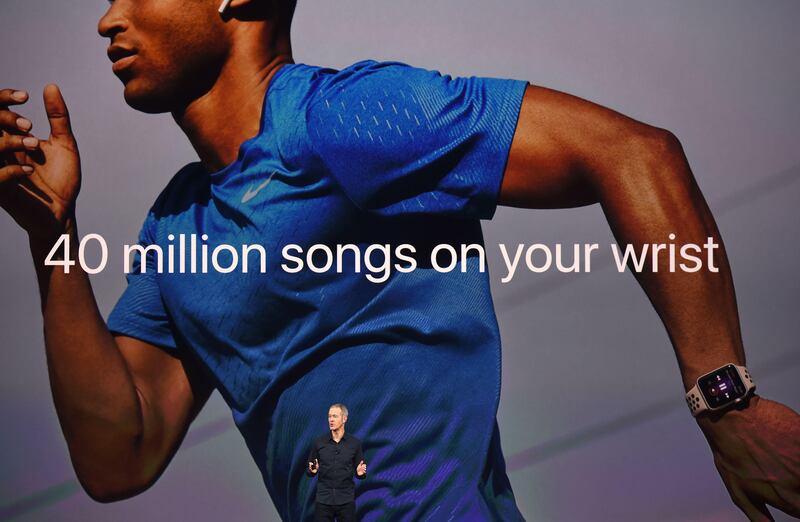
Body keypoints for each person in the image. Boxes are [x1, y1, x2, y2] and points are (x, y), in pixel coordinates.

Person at [0, 0, 798, 520]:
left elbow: (633, 153)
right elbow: (116, 456)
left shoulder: (343, 118)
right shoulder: (177, 225)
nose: (108, 18)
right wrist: (52, 237)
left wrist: (724, 399)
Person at [306, 404, 367, 522]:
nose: (331, 420)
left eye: (335, 416)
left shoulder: (355, 444)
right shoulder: (319, 443)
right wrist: (312, 471)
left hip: (346, 502)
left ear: (344, 419)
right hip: (323, 501)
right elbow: (309, 470)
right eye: (329, 417)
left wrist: (360, 473)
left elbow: (361, 473)